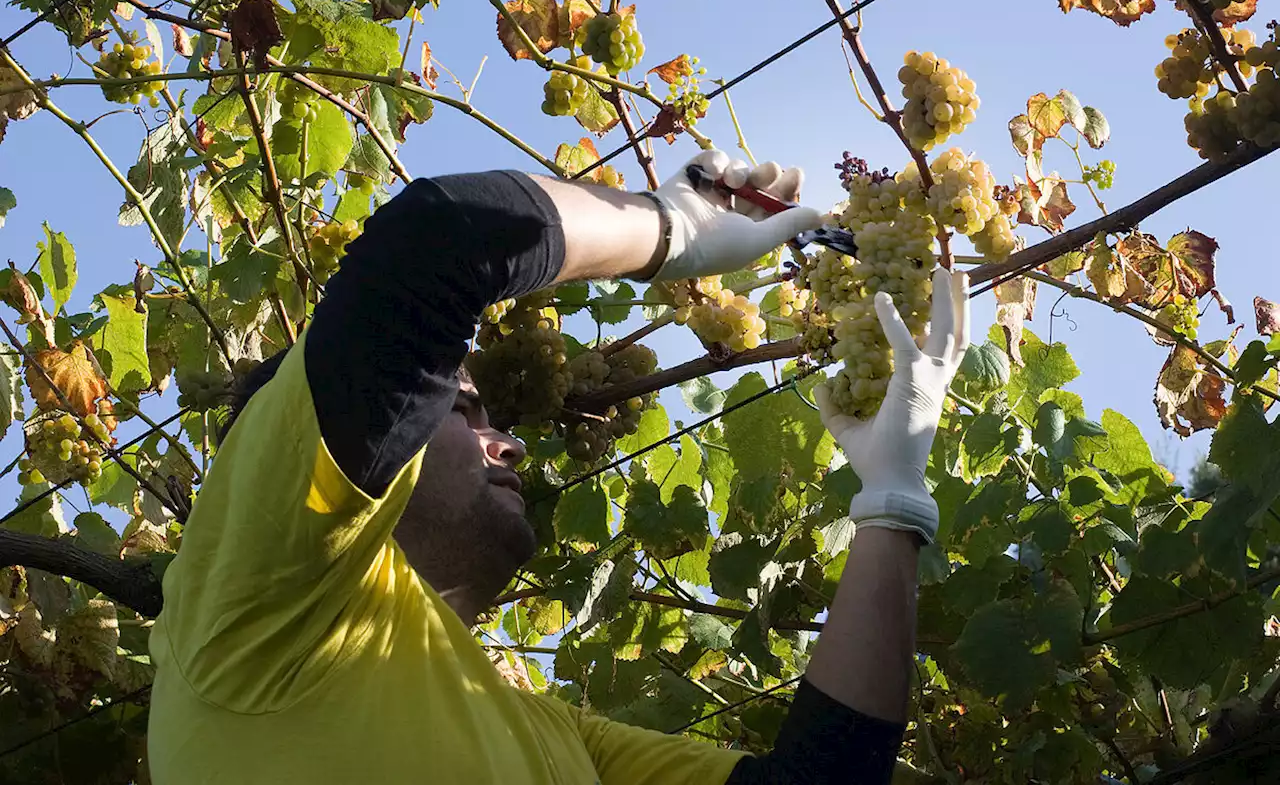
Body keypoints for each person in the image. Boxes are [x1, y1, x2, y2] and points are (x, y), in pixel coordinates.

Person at [146, 150, 969, 784]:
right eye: (464, 409)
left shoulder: (547, 736)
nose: (510, 442)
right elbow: (435, 245)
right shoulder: (256, 597)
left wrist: (893, 501)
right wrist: (663, 228)